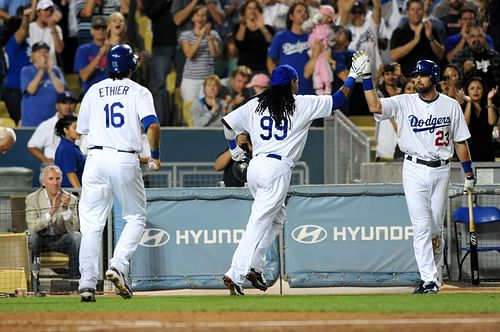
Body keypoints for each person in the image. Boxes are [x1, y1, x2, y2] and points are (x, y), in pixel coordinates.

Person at [220, 55, 366, 295]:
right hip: (276, 169)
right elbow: (339, 99)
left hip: (256, 168)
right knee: (258, 222)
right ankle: (235, 273)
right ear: (292, 83)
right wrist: (352, 75)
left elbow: (228, 125)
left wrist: (234, 150)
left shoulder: (255, 103)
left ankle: (255, 265)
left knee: (277, 218)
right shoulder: (301, 103)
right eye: (296, 81)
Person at [359, 55, 476, 294]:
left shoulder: (451, 105)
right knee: (421, 226)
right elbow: (375, 106)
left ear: (433, 77)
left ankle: (435, 272)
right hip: (413, 168)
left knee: (435, 230)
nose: (418, 79)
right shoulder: (404, 101)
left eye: (422, 75)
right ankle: (429, 280)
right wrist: (366, 78)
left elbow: (461, 142)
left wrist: (469, 174)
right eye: (416, 75)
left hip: (442, 169)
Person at [77, 44, 161, 302]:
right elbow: (152, 125)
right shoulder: (139, 91)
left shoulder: (93, 90)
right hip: (124, 158)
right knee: (135, 217)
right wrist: (155, 156)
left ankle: (87, 283)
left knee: (91, 225)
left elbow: (82, 131)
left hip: (95, 158)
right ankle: (118, 265)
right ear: (131, 66)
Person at [25, 165, 80, 279]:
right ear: (43, 182)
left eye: (58, 178)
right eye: (51, 179)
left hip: (60, 239)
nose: (55, 182)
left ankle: (74, 280)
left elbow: (74, 228)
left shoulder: (71, 199)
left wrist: (66, 210)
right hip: (41, 240)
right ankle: (33, 281)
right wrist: (51, 212)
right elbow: (32, 226)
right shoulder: (32, 199)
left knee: (76, 237)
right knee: (32, 237)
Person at [266, 2, 313, 95]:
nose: (303, 13)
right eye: (299, 11)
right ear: (291, 17)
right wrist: (277, 79)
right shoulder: (280, 37)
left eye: (305, 11)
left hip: (307, 85)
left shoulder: (311, 37)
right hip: (286, 87)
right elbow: (270, 60)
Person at [20, 41, 66, 127]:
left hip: (53, 121)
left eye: (45, 52)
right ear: (33, 56)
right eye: (39, 52)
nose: (43, 55)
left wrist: (50, 72)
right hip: (32, 121)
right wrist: (41, 71)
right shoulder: (26, 70)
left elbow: (61, 90)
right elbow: (31, 90)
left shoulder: (56, 71)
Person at [27, 90, 78, 165]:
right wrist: (44, 159)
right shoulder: (47, 124)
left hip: (77, 164)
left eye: (71, 103)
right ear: (57, 106)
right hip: (53, 167)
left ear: (75, 105)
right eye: (64, 103)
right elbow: (32, 146)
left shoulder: (82, 123)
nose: (67, 106)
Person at [1, 6, 32, 125]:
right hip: (14, 88)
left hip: (22, 88)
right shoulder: (12, 43)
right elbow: (23, 30)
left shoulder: (23, 44)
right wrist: (26, 16)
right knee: (21, 122)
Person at [301, 4, 335, 95]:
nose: (321, 17)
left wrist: (326, 48)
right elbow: (304, 27)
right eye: (321, 14)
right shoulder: (314, 26)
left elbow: (332, 42)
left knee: (325, 69)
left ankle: (327, 85)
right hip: (314, 51)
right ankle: (319, 87)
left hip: (324, 53)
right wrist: (314, 20)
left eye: (324, 15)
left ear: (329, 18)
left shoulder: (329, 29)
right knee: (316, 70)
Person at [233, 0, 274, 74]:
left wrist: (262, 27)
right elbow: (239, 43)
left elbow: (271, 41)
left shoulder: (267, 28)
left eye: (255, 8)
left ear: (259, 11)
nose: (252, 11)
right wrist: (243, 25)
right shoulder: (238, 28)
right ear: (244, 11)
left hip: (262, 69)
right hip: (244, 70)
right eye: (250, 8)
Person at [462, 76, 498, 161]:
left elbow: (492, 122)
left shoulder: (489, 108)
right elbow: (465, 124)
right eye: (472, 88)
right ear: (467, 91)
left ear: (484, 90)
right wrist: (469, 102)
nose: (475, 91)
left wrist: (489, 99)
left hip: (487, 152)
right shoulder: (462, 108)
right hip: (469, 153)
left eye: (479, 88)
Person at [74, 16, 111, 95]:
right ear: (91, 31)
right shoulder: (83, 50)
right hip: (92, 93)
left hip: (110, 92)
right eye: (97, 27)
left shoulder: (113, 49)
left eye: (103, 28)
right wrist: (99, 56)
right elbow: (84, 76)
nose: (100, 30)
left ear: (107, 30)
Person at [28, 0, 64, 66]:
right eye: (46, 10)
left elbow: (59, 49)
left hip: (51, 68)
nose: (49, 13)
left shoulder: (57, 28)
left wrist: (52, 27)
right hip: (34, 69)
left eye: (51, 11)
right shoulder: (30, 28)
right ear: (38, 12)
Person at [54, 114, 86, 189]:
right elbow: (71, 173)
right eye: (75, 127)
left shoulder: (67, 146)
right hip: (70, 193)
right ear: (66, 130)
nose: (79, 130)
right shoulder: (68, 148)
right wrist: (80, 193)